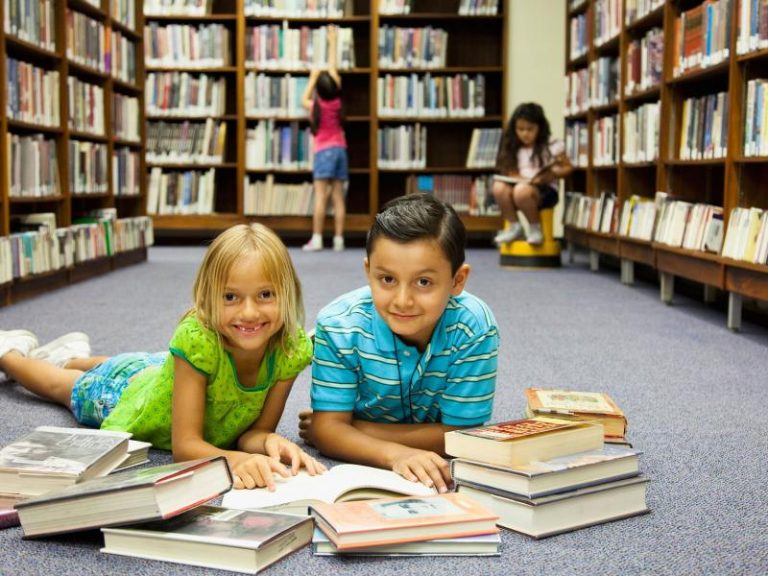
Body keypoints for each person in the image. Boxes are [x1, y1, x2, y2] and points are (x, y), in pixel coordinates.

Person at [0, 223, 325, 490]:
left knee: (133, 363)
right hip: (130, 399)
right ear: (207, 296)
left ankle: (70, 354)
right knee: (65, 386)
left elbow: (253, 433)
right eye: (230, 297)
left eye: (265, 295)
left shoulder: (289, 348)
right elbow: (185, 447)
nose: (250, 312)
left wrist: (269, 442)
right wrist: (236, 460)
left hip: (161, 372)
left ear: (288, 291)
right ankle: (10, 353)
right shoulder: (197, 341)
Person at [298, 193, 499, 494]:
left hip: (363, 424)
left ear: (458, 280)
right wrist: (395, 454)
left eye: (424, 282)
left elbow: (464, 436)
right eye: (387, 280)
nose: (403, 301)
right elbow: (328, 433)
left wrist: (352, 428)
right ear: (368, 271)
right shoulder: (338, 325)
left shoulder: (475, 328)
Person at [492, 102, 573, 246]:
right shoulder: (512, 146)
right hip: (521, 185)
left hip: (545, 191)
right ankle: (514, 226)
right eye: (520, 129)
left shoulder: (551, 144)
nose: (525, 134)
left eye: (530, 129)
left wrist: (553, 173)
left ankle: (535, 228)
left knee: (521, 191)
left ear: (540, 128)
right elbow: (510, 172)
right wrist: (523, 179)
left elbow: (567, 167)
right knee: (498, 187)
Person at [302, 25, 348, 252]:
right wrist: (333, 42)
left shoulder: (316, 107)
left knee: (321, 196)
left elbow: (303, 99)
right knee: (338, 196)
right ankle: (339, 240)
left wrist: (312, 79)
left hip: (323, 152)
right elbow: (334, 71)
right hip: (340, 150)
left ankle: (318, 238)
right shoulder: (338, 104)